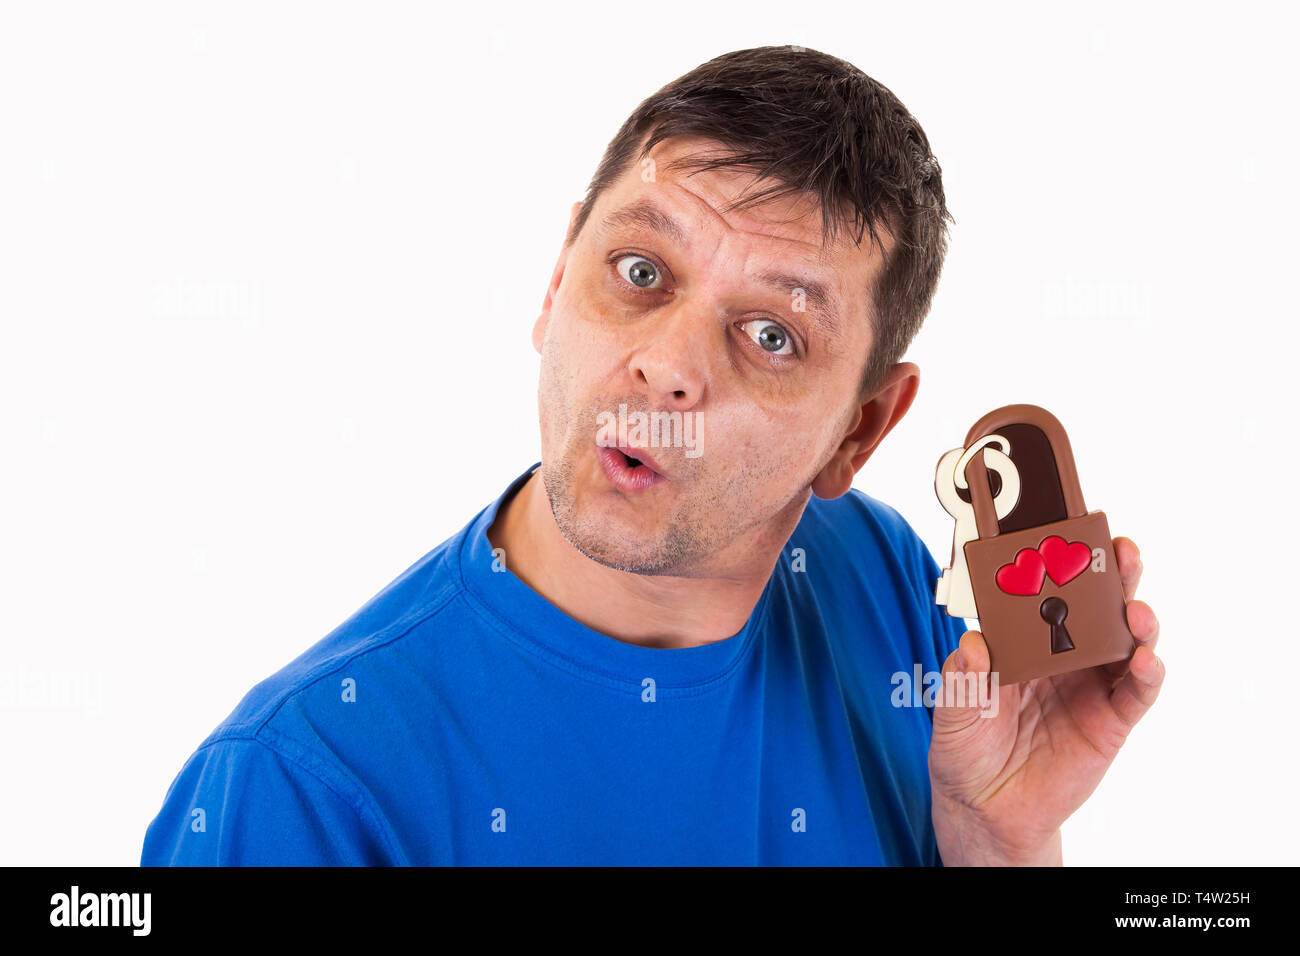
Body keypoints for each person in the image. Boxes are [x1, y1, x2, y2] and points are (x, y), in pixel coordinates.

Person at [140, 45, 1163, 866]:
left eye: (771, 334)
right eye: (639, 269)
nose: (666, 368)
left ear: (859, 430)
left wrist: (1000, 837)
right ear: (554, 282)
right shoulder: (297, 789)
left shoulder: (882, 579)